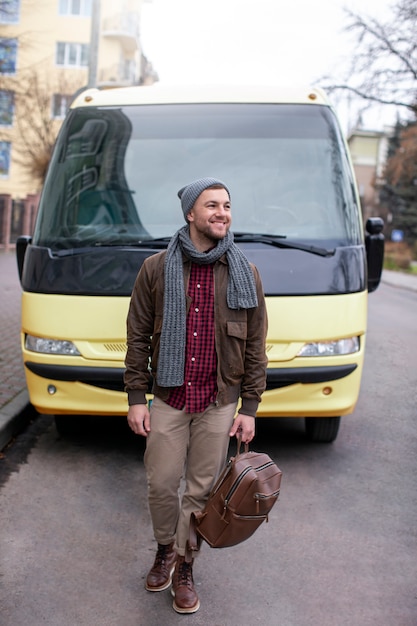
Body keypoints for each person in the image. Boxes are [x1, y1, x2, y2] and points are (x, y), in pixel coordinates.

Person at [124, 177, 268, 614]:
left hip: (219, 401)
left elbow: (256, 345)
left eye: (226, 205)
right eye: (212, 206)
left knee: (202, 490)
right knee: (162, 483)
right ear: (191, 214)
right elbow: (137, 337)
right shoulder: (155, 268)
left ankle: (186, 563)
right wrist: (135, 396)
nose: (222, 213)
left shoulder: (246, 272)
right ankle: (164, 548)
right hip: (170, 396)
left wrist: (250, 407)